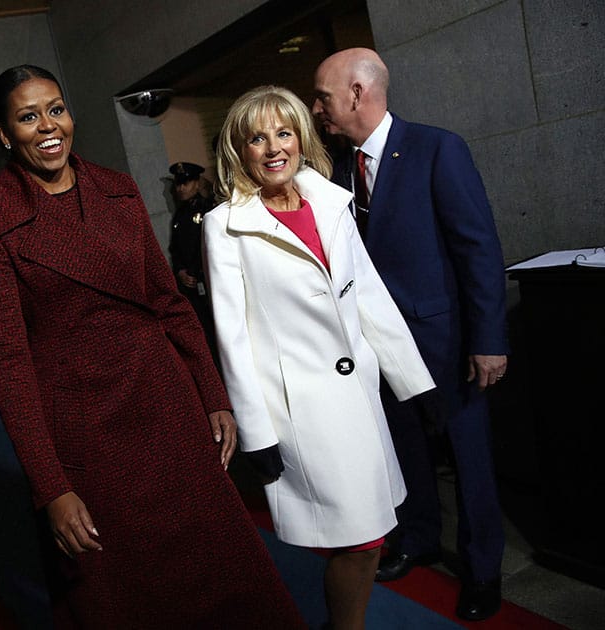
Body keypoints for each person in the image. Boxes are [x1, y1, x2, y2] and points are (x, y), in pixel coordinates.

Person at [0, 64, 304, 629]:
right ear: (5, 134)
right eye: (27, 117)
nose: (48, 126)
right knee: (127, 590)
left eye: (56, 109)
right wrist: (51, 486)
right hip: (85, 434)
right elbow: (7, 364)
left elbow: (169, 303)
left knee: (220, 565)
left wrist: (212, 394)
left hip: (166, 405)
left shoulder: (116, 189)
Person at [204, 85, 437, 629]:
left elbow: (369, 299)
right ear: (240, 151)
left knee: (370, 536)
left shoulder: (331, 202)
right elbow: (232, 337)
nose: (273, 147)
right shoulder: (226, 225)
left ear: (301, 137)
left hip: (360, 400)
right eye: (256, 138)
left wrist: (415, 383)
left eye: (283, 133)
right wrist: (256, 432)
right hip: (303, 413)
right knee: (359, 541)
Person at [312, 47, 509, 621]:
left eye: (323, 96)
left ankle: (482, 569)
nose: (317, 108)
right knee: (408, 453)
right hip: (381, 347)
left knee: (469, 461)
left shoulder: (436, 148)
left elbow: (478, 249)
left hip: (448, 345)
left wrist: (489, 339)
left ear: (356, 93)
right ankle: (420, 538)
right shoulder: (340, 167)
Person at [167, 161, 217, 355]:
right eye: (178, 184)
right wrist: (180, 271)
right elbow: (175, 249)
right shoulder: (179, 216)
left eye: (185, 183)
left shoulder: (206, 210)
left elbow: (207, 246)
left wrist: (196, 271)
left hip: (206, 279)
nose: (181, 189)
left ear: (196, 183)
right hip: (191, 285)